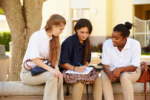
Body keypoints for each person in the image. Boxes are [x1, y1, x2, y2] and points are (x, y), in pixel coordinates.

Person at [20, 14, 66, 100]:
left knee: (59, 76)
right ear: (53, 26)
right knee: (52, 76)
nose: (61, 32)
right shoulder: (36, 36)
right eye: (61, 29)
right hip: (28, 73)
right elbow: (34, 59)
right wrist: (51, 70)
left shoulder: (54, 39)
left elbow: (54, 59)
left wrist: (56, 69)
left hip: (42, 71)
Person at [59, 18, 102, 100]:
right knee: (80, 82)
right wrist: (76, 69)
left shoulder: (87, 42)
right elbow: (63, 63)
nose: (84, 35)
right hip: (69, 70)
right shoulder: (68, 42)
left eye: (87, 32)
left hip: (82, 71)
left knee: (98, 79)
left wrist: (85, 66)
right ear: (76, 29)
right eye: (82, 32)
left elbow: (87, 60)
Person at [101, 22, 141, 100]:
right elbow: (105, 64)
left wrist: (119, 69)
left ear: (125, 38)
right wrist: (109, 73)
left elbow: (134, 67)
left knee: (124, 76)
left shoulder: (135, 44)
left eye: (116, 38)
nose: (113, 40)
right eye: (112, 37)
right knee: (104, 75)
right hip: (113, 71)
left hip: (132, 72)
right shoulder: (107, 44)